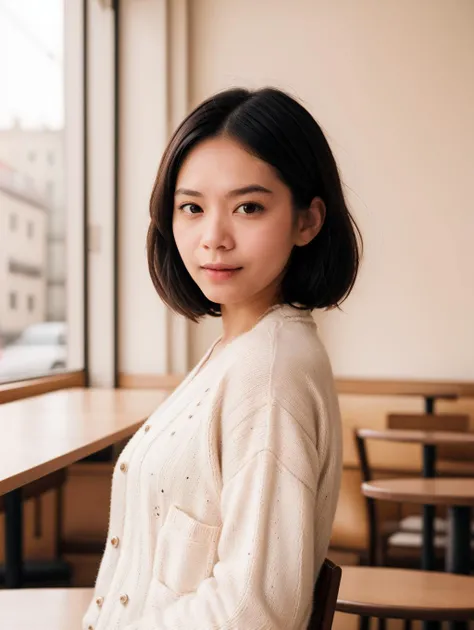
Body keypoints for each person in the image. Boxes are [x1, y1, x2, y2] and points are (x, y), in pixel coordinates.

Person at [82, 86, 361, 630]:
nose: (213, 238)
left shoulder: (271, 370)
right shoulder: (240, 349)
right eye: (191, 207)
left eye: (248, 207)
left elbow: (253, 611)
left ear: (307, 221)